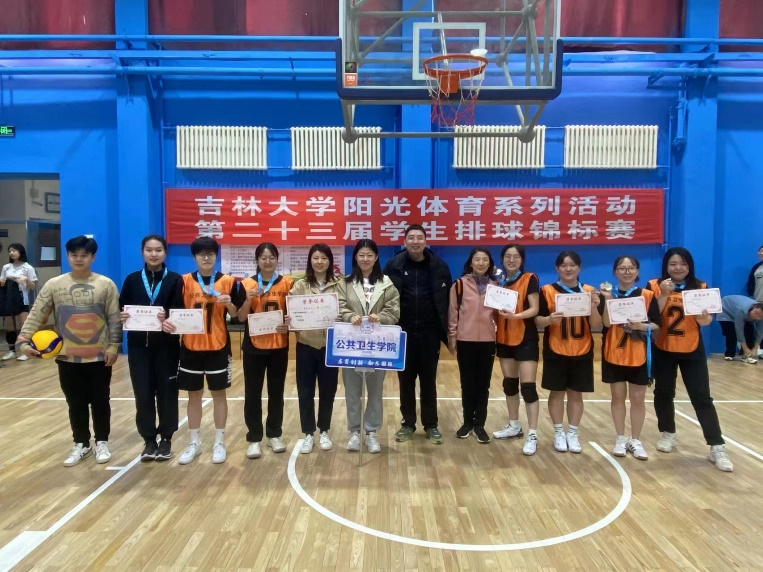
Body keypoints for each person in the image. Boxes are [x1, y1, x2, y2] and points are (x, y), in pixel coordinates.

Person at [17, 235, 121, 467]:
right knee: (75, 402)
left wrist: (114, 346)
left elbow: (114, 319)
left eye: (84, 255)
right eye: (74, 255)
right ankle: (81, 443)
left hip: (99, 357)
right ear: (67, 256)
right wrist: (23, 341)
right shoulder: (55, 285)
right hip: (67, 357)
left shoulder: (106, 284)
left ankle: (102, 442)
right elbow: (37, 313)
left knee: (100, 401)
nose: (79, 259)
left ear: (93, 257)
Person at [645, 247, 733, 472]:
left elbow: (706, 322)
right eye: (673, 264)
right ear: (666, 266)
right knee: (663, 393)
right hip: (663, 347)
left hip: (692, 348)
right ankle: (668, 433)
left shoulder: (701, 287)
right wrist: (664, 294)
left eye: (683, 264)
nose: (678, 268)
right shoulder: (654, 285)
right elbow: (652, 316)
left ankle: (717, 446)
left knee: (701, 397)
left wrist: (704, 317)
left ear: (689, 266)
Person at [163, 237, 237, 465]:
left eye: (210, 254)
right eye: (201, 254)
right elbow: (174, 312)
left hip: (218, 346)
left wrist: (229, 303)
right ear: (194, 257)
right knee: (193, 395)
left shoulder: (228, 281)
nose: (206, 258)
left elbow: (237, 315)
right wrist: (168, 322)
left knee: (219, 395)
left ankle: (219, 442)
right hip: (190, 348)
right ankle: (194, 442)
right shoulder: (184, 281)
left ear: (216, 256)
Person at [383, 224, 452, 445]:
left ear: (425, 241)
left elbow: (447, 302)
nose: (415, 241)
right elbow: (383, 297)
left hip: (430, 333)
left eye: (419, 238)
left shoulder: (439, 266)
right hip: (402, 334)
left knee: (428, 381)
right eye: (411, 238)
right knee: (405, 381)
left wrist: (449, 334)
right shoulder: (393, 265)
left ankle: (431, 425)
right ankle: (408, 423)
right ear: (404, 241)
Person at [119, 235, 183, 461]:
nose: (153, 254)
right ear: (142, 252)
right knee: (143, 393)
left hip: (167, 347)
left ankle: (166, 439)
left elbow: (180, 310)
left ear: (165, 253)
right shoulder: (132, 279)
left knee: (167, 393)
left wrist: (170, 318)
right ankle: (148, 440)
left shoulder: (175, 280)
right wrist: (122, 315)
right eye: (149, 250)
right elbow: (121, 307)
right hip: (138, 347)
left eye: (158, 250)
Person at [337, 239, 400, 454]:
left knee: (375, 391)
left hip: (377, 346)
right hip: (351, 345)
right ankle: (354, 432)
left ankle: (371, 431)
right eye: (361, 255)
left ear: (376, 258)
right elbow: (339, 305)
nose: (365, 259)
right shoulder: (345, 283)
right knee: (352, 391)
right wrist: (349, 316)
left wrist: (381, 317)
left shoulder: (387, 283)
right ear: (355, 257)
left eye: (369, 255)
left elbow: (394, 310)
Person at [535, 251, 601, 454]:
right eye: (563, 265)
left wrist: (594, 307)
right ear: (557, 268)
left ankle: (572, 432)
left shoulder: (589, 291)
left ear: (579, 268)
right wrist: (549, 320)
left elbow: (596, 325)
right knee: (556, 392)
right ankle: (558, 432)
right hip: (555, 348)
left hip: (582, 349)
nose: (568, 269)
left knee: (576, 393)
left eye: (572, 265)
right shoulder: (547, 290)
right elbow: (537, 321)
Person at [234, 243, 293, 459]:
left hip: (278, 346)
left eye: (271, 257)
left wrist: (288, 323)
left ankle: (274, 434)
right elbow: (240, 317)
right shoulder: (246, 284)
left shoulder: (288, 283)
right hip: (253, 347)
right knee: (253, 393)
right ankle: (254, 438)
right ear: (257, 260)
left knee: (276, 392)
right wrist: (248, 300)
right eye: (263, 258)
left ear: (277, 259)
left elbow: (293, 315)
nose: (267, 262)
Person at [598, 255, 660, 460]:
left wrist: (641, 326)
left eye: (631, 268)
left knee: (638, 399)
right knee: (617, 397)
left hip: (639, 354)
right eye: (622, 268)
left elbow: (657, 324)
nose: (627, 272)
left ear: (637, 271)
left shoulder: (647, 295)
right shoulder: (607, 294)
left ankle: (635, 439)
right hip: (613, 353)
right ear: (615, 272)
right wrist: (608, 299)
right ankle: (620, 438)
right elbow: (606, 324)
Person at [290, 244, 342, 454]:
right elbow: (291, 313)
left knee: (328, 390)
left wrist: (342, 316)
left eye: (324, 258)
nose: (320, 262)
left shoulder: (340, 284)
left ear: (330, 261)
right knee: (305, 390)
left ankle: (324, 430)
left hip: (330, 346)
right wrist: (291, 319)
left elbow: (347, 308)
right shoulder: (300, 285)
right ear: (310, 261)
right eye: (316, 258)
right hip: (306, 345)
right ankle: (308, 433)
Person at [492, 244, 541, 455]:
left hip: (525, 338)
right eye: (508, 256)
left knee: (528, 388)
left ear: (522, 259)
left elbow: (535, 309)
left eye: (516, 256)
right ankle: (514, 425)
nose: (511, 260)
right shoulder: (498, 282)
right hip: (504, 338)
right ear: (502, 259)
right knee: (510, 385)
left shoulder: (530, 278)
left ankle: (533, 433)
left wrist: (516, 316)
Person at [448, 247, 498, 444]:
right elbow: (453, 313)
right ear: (470, 263)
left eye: (485, 259)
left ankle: (480, 425)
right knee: (467, 384)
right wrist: (452, 337)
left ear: (490, 263)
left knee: (483, 385)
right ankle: (467, 422)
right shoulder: (459, 285)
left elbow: (500, 314)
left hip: (488, 341)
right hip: (465, 340)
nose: (481, 263)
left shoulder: (496, 286)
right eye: (477, 259)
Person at [1, 243, 38, 361]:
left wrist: (25, 280)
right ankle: (11, 351)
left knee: (24, 325)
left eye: (14, 250)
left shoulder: (28, 268)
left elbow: (33, 286)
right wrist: (4, 281)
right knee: (10, 326)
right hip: (8, 299)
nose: (11, 253)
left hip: (22, 299)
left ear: (20, 251)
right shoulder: (6, 267)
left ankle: (26, 351)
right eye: (10, 251)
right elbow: (1, 282)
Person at [717, 295, 763, 364]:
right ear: (754, 307)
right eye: (755, 313)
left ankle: (747, 355)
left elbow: (760, 331)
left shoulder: (761, 316)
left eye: (759, 316)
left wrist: (755, 348)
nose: (755, 316)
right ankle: (729, 354)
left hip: (741, 313)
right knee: (731, 332)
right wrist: (745, 347)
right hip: (726, 310)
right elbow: (739, 329)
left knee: (749, 331)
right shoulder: (742, 310)